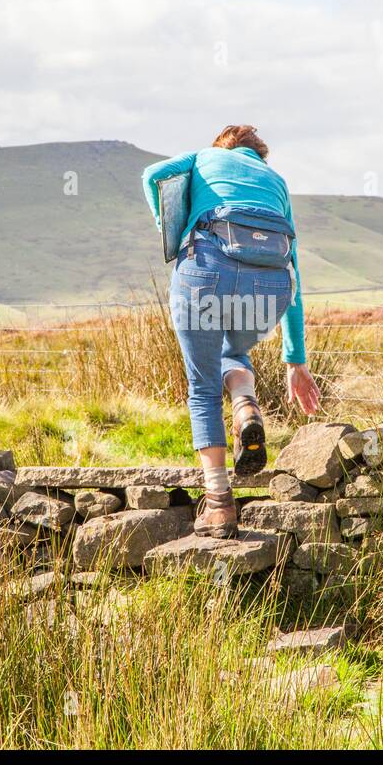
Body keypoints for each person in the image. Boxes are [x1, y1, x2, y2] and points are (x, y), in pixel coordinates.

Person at [143, 124, 320, 538]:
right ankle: (244, 403)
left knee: (203, 387)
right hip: (270, 286)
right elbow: (295, 267)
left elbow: (153, 175)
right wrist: (296, 359)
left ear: (223, 146)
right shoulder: (276, 182)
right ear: (258, 156)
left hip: (204, 270)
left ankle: (219, 504)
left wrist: (173, 235)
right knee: (233, 354)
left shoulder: (205, 157)